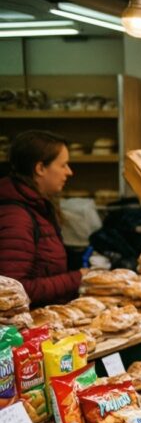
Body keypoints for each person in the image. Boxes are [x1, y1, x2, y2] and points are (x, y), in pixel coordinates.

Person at [0, 130, 80, 305]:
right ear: (40, 168)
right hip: (23, 328)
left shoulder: (36, 207)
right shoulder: (16, 218)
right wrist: (78, 278)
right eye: (63, 165)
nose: (69, 172)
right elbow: (14, 291)